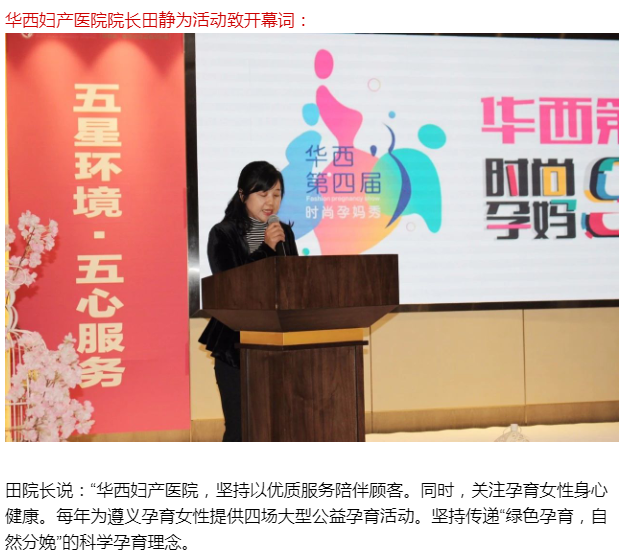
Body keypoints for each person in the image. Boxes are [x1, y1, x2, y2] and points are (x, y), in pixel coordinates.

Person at [199, 161, 299, 442]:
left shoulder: (283, 232)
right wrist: (266, 249)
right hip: (236, 345)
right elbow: (230, 285)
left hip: (280, 343)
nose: (271, 202)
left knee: (279, 426)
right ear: (243, 195)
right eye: (263, 194)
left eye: (277, 194)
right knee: (242, 428)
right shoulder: (223, 233)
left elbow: (294, 282)